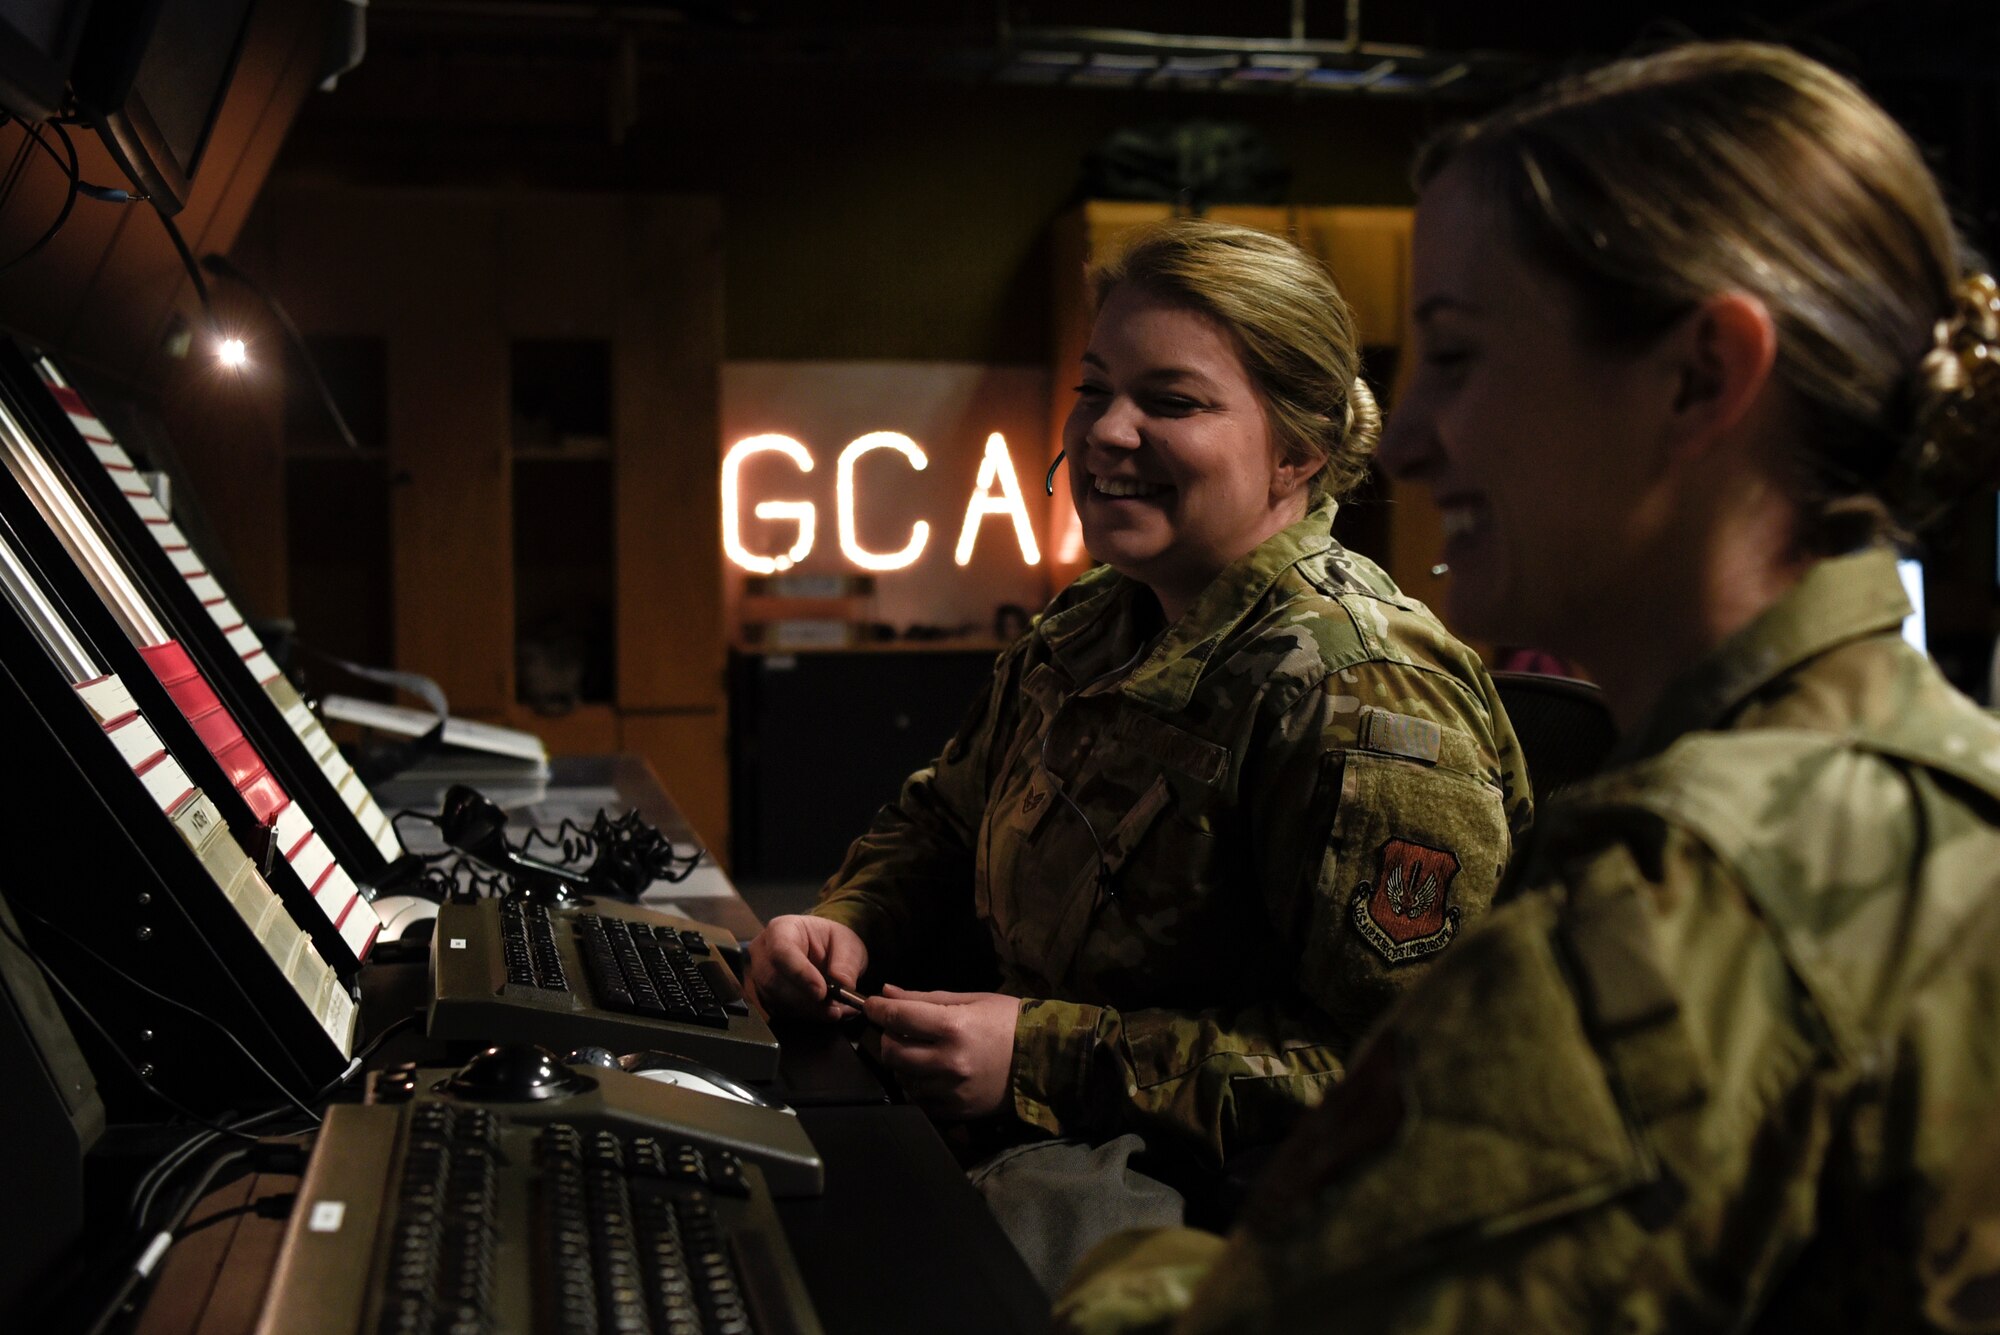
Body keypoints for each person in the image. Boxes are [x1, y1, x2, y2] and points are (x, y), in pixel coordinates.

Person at [1054, 40, 2000, 1333]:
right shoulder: (1952, 782)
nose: (1419, 433)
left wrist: (1083, 1270)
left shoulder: (1672, 900)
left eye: (1456, 355)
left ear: (1699, 378)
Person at [748, 218, 1531, 1289]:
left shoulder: (1356, 689)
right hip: (1026, 1151)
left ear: (1296, 449)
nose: (1104, 433)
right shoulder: (1097, 620)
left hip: (1220, 1240)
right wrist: (844, 921)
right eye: (1094, 388)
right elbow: (943, 818)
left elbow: (1405, 1074)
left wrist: (1040, 1056)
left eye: (1171, 401)